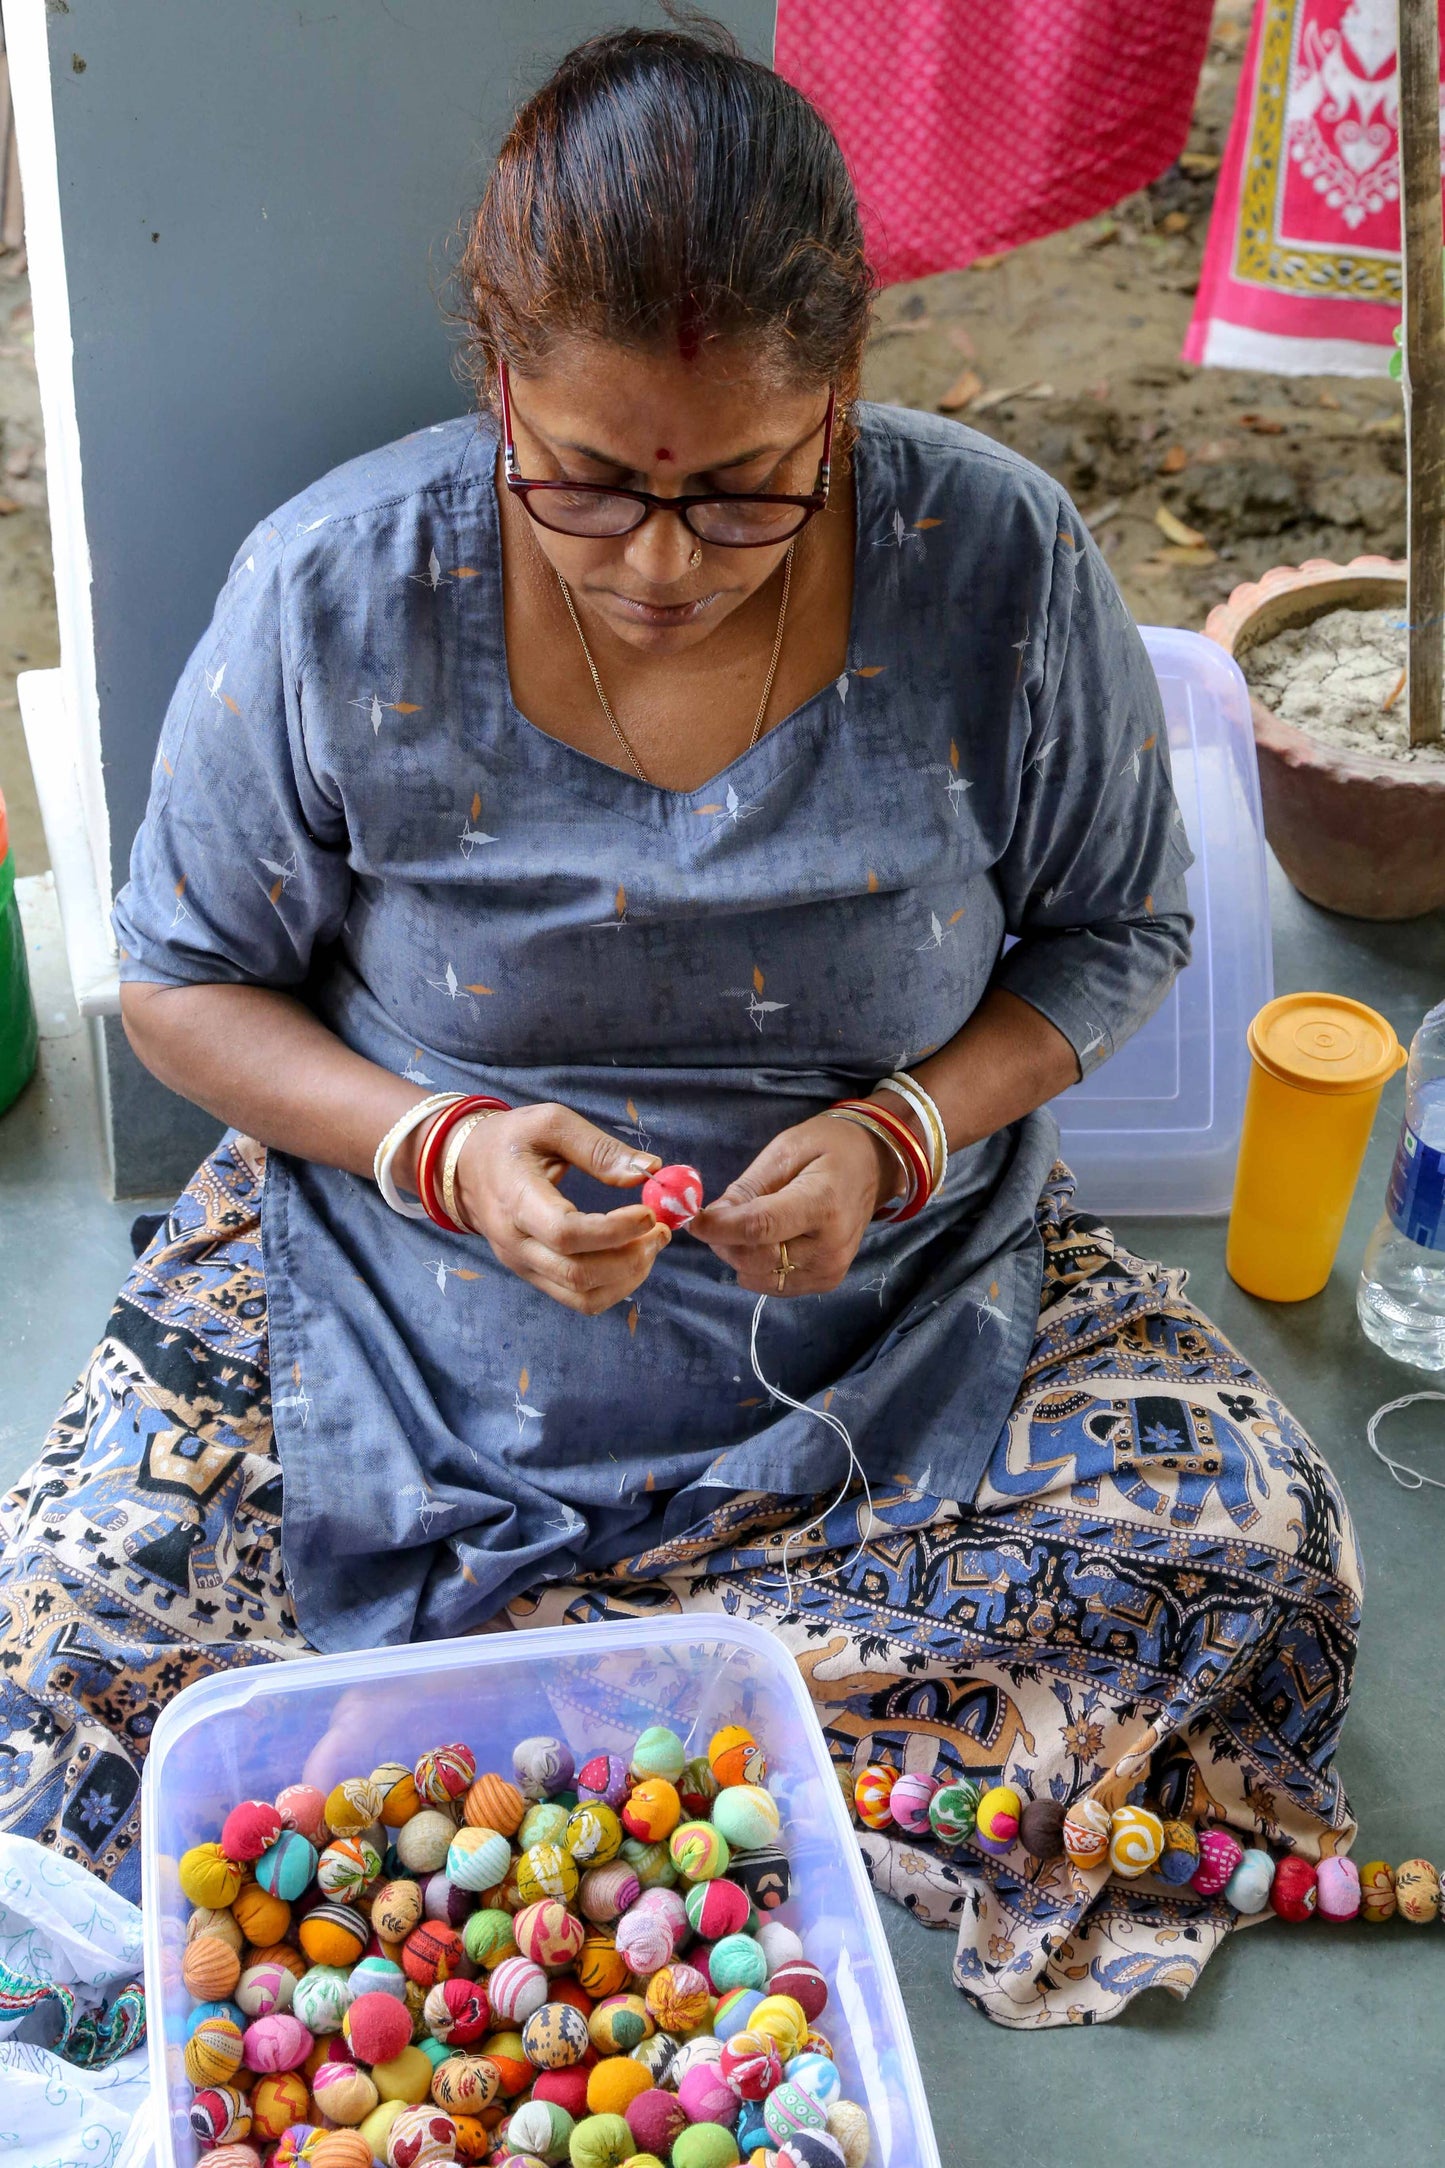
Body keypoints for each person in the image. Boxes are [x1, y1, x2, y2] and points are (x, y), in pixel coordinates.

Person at [0, 22, 1360, 2027]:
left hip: (891, 1324)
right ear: (497, 382)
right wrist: (439, 1147)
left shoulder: (992, 563)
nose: (656, 565)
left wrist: (905, 1128)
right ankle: (722, 1712)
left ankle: (516, 1715)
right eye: (584, 485)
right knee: (65, 1630)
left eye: (741, 494)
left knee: (1252, 1552)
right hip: (401, 1304)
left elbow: (1117, 925)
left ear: (842, 402)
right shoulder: (339, 592)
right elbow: (181, 980)